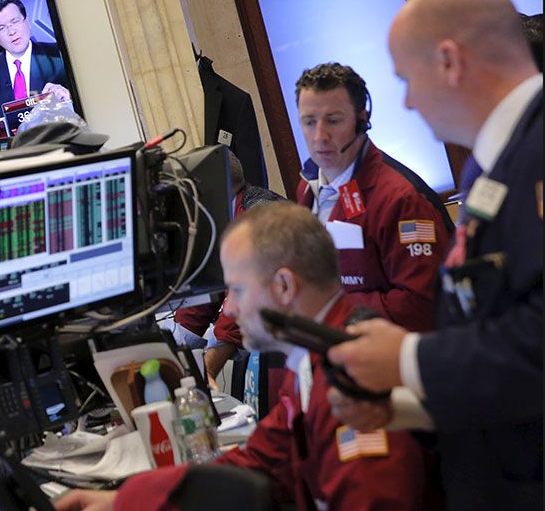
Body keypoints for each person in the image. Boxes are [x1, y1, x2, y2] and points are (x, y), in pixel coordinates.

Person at [56, 202, 442, 511]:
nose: (231, 311)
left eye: (237, 291)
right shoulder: (312, 358)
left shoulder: (356, 376)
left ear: (285, 286)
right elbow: (260, 461)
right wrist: (123, 502)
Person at [327, 0, 543, 510]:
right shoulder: (491, 166)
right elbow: (492, 335)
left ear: (449, 61)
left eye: (407, 78)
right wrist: (404, 405)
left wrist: (409, 358)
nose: (405, 103)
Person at [294, 62, 452, 333]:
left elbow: (421, 306)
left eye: (333, 120)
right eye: (309, 122)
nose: (319, 137)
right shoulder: (307, 186)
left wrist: (330, 309)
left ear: (362, 120)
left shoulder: (401, 199)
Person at [166, 152, 283, 356]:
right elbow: (206, 289)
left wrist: (209, 368)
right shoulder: (217, 220)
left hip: (287, 340)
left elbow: (249, 298)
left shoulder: (259, 219)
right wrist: (175, 349)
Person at [0, 0, 71, 123]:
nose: (11, 32)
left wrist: (69, 99)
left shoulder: (58, 56)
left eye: (15, 21)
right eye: (2, 28)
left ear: (27, 22)